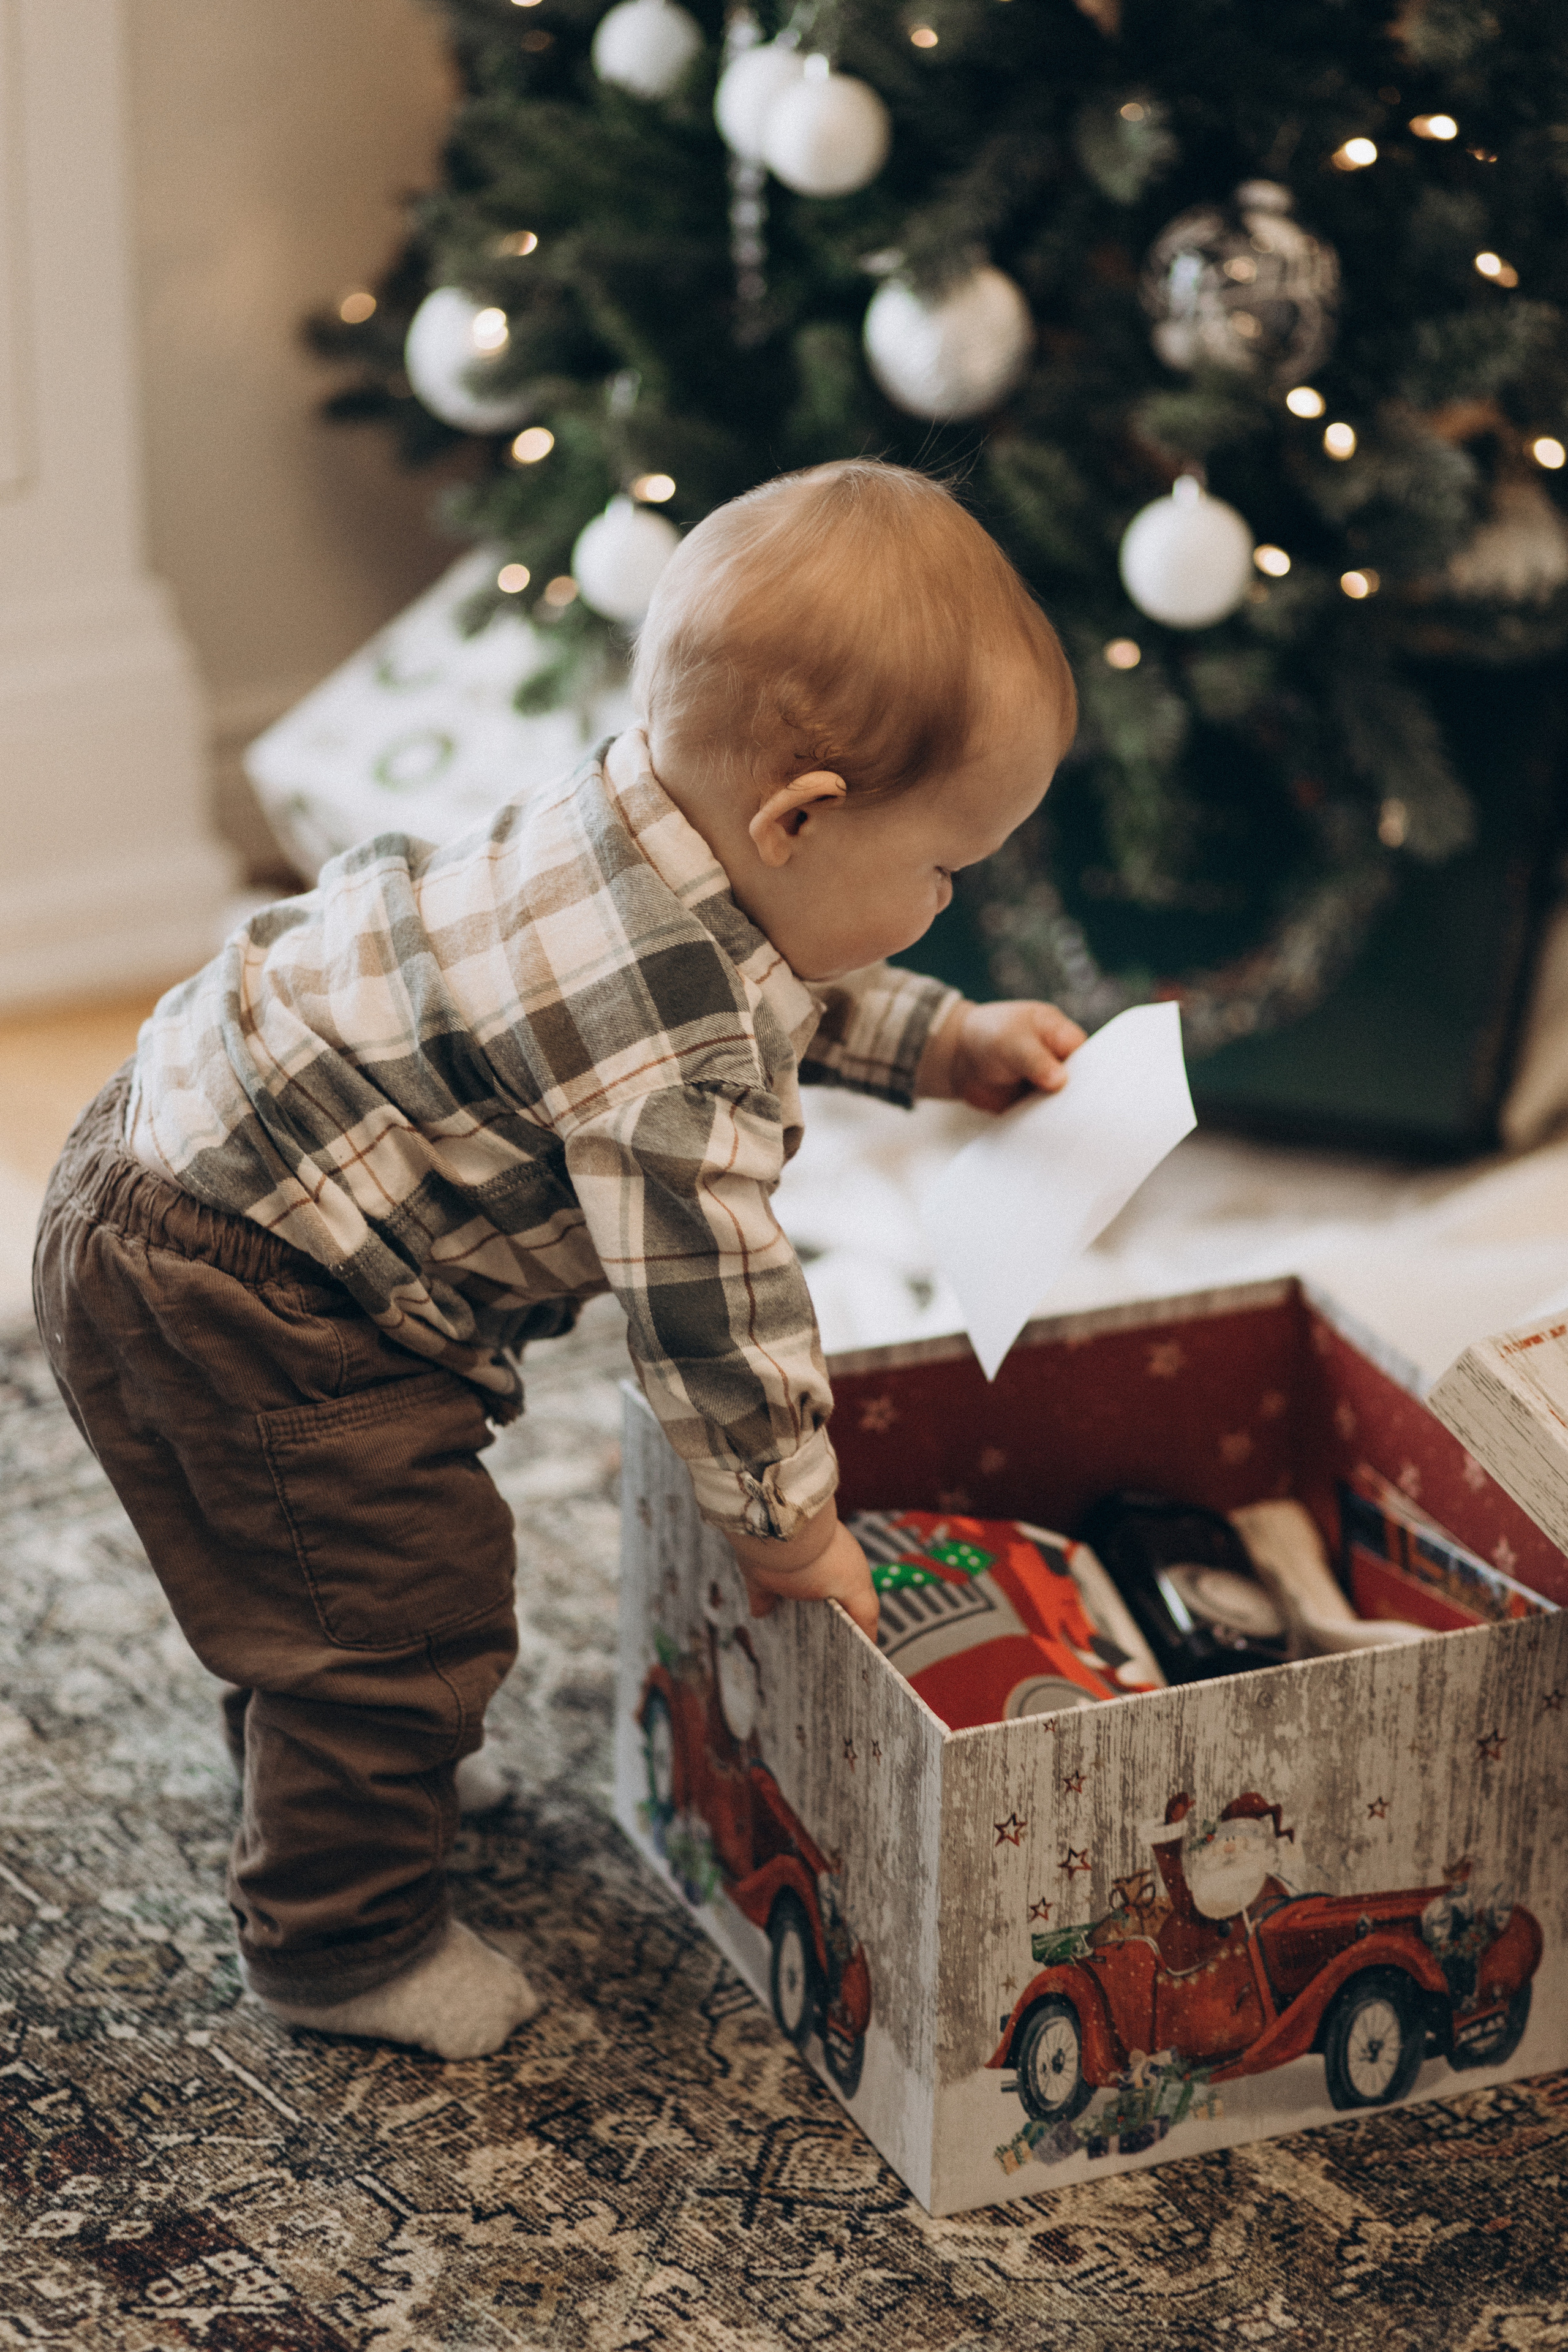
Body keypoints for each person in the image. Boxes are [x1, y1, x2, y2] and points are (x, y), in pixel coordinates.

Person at [33, 459, 1083, 2061]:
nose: (944, 908)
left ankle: (329, 1751)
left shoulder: (652, 823)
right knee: (399, 1610)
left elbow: (783, 971)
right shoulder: (671, 1063)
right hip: (259, 1288)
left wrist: (946, 1046)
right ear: (798, 816)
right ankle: (341, 1939)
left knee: (303, 1571)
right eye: (943, 872)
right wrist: (790, 1529)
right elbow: (714, 1311)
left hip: (170, 1168)